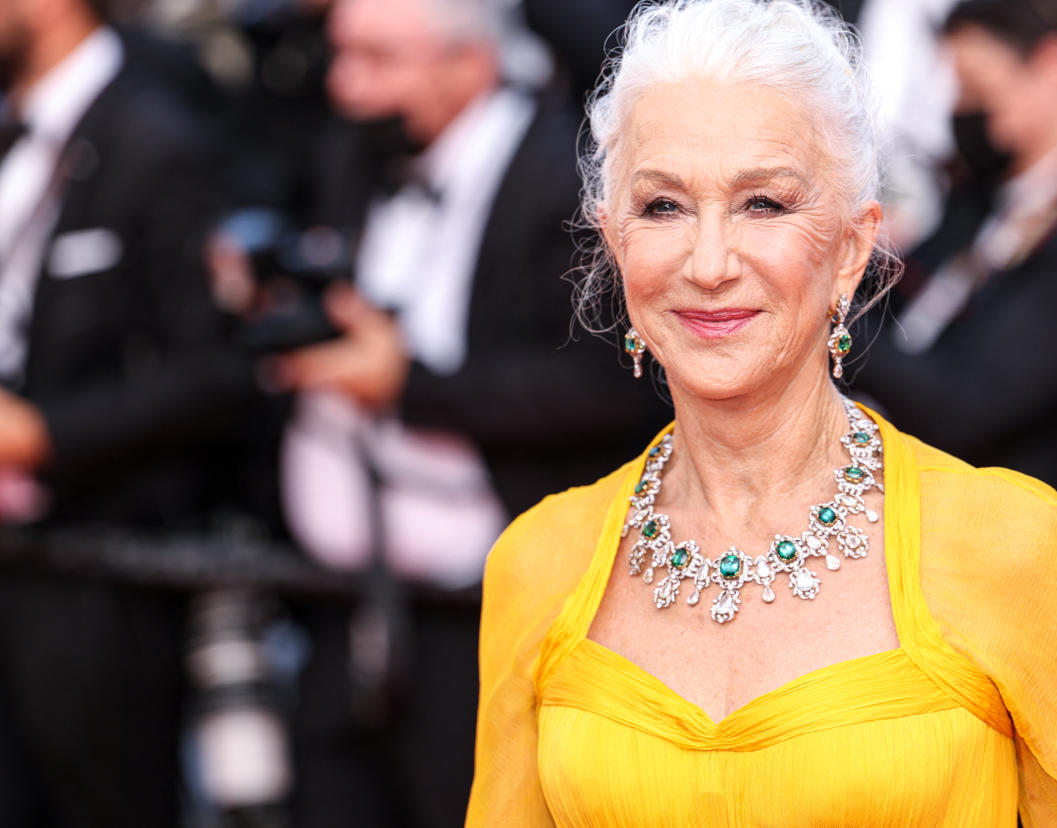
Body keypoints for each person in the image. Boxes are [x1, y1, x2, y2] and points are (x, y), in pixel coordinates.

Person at [465, 1, 1057, 825]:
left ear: (848, 251)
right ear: (615, 242)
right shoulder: (536, 561)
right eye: (663, 206)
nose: (708, 262)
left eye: (763, 203)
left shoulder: (1010, 547)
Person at [257, 0, 669, 824]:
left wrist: (409, 386)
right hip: (340, 597)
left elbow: (613, 384)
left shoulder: (570, 174)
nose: (347, 86)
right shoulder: (360, 148)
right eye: (343, 57)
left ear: (469, 62)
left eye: (379, 59)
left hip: (500, 612)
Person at [0, 0, 254, 823]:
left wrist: (46, 435)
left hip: (111, 567)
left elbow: (223, 371)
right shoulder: (19, 132)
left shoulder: (162, 135)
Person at [849, 0, 1057, 546]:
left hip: (1009, 551)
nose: (960, 106)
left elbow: (963, 407)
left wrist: (829, 314)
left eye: (975, 85)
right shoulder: (1004, 191)